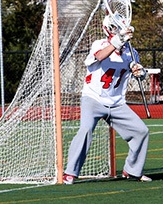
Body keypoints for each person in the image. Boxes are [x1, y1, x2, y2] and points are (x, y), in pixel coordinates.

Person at [62, 11, 151, 185]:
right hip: (93, 99)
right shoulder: (99, 44)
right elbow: (101, 56)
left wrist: (140, 72)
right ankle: (70, 172)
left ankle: (131, 171)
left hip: (117, 103)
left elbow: (134, 70)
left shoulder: (131, 52)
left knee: (141, 131)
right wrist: (117, 42)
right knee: (86, 130)